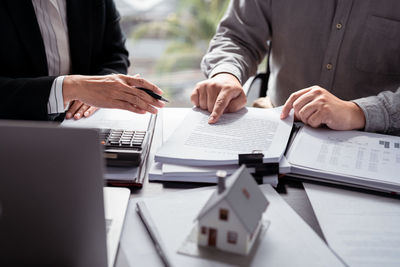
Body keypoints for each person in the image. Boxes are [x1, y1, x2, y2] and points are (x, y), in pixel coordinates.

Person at [191, 0, 400, 135]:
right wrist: (226, 73)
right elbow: (237, 37)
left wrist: (358, 112)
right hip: (279, 128)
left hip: (374, 138)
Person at [0, 0, 164, 121]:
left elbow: (115, 55)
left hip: (82, 120)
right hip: (15, 130)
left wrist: (98, 90)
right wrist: (72, 88)